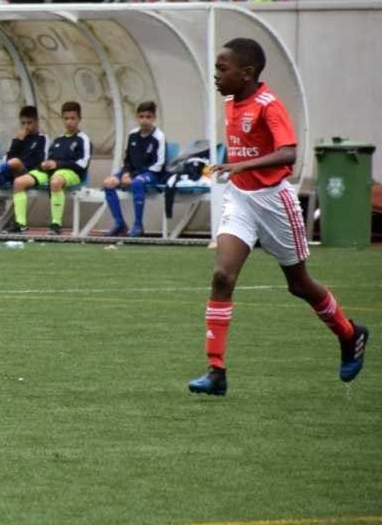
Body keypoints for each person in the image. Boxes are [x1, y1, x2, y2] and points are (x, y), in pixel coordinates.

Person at [187, 38, 369, 397]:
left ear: (248, 72)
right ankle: (216, 370)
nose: (216, 75)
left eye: (223, 69)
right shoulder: (229, 101)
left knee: (299, 284)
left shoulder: (269, 106)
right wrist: (228, 167)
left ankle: (350, 334)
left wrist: (242, 163)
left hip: (275, 203)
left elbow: (288, 153)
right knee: (222, 276)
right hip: (240, 199)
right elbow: (244, 146)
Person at [6, 101, 90, 236]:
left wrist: (58, 164)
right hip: (50, 172)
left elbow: (83, 164)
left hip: (72, 173)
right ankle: (20, 224)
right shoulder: (58, 140)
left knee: (55, 181)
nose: (69, 122)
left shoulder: (83, 139)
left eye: (73, 118)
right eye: (66, 118)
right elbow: (47, 160)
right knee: (19, 182)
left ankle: (56, 224)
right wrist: (44, 165)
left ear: (79, 119)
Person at [102, 101, 166, 238]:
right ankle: (120, 224)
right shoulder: (132, 135)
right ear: (137, 117)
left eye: (148, 117)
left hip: (152, 174)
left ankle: (138, 224)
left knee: (137, 182)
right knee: (108, 182)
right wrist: (125, 173)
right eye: (141, 116)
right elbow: (127, 160)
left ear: (154, 118)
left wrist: (132, 176)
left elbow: (159, 164)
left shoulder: (159, 137)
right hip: (132, 173)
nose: (144, 120)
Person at [0, 105, 47, 187]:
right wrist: (17, 141)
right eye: (23, 123)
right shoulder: (19, 139)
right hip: (11, 172)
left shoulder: (42, 138)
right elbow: (8, 159)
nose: (26, 126)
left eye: (29, 123)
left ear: (36, 122)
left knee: (16, 162)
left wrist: (20, 163)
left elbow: (40, 161)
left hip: (29, 173)